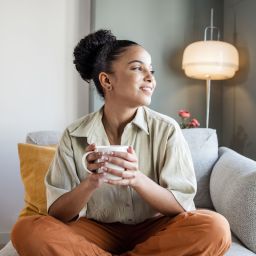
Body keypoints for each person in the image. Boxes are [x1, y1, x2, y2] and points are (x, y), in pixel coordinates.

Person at [11, 29, 231, 256]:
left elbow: (180, 206)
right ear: (106, 80)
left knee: (215, 227)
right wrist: (91, 182)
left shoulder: (166, 129)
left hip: (155, 229)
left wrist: (136, 178)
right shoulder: (73, 134)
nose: (150, 77)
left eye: (151, 70)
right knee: (27, 229)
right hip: (95, 229)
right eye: (138, 68)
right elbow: (58, 215)